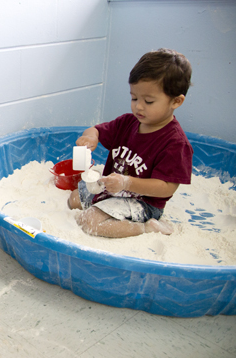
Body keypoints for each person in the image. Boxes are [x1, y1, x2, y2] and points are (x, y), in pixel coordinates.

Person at [67, 48, 193, 238]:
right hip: (112, 189)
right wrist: (91, 137)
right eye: (134, 98)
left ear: (176, 101)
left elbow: (167, 187)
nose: (138, 106)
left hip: (142, 202)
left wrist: (127, 182)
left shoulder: (175, 143)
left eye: (148, 101)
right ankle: (108, 209)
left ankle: (147, 228)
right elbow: (97, 130)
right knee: (73, 199)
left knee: (89, 221)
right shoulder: (128, 122)